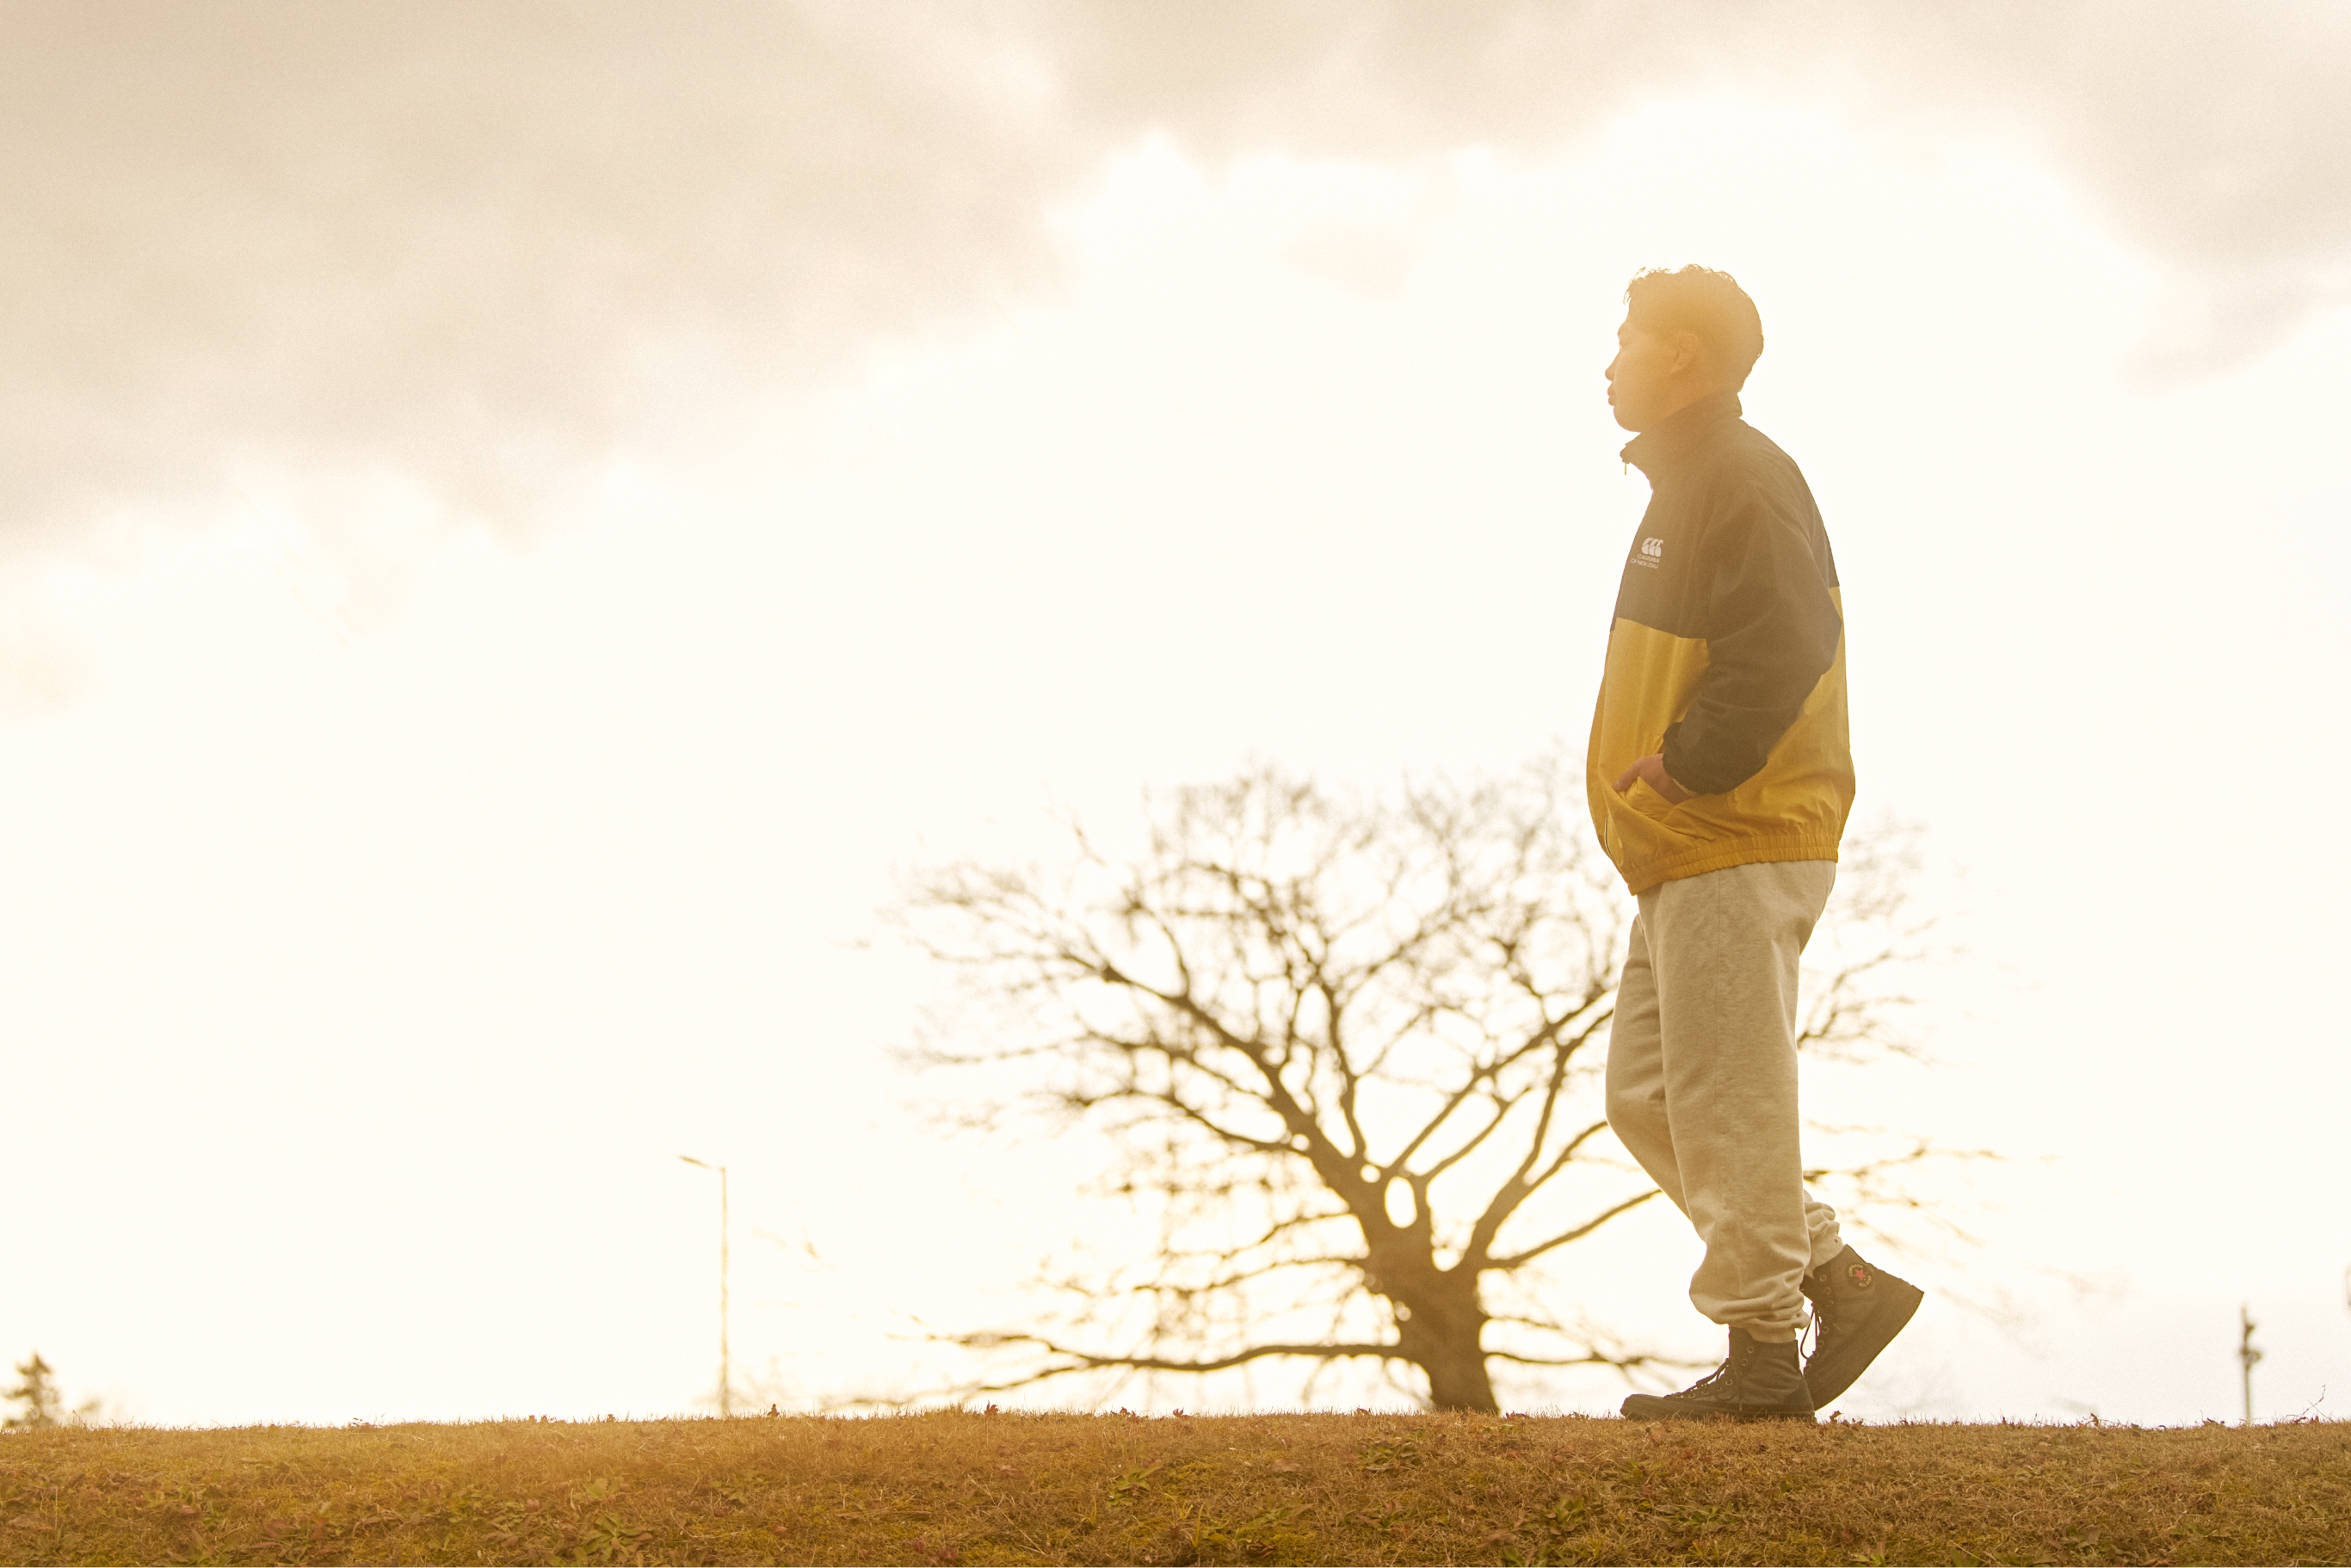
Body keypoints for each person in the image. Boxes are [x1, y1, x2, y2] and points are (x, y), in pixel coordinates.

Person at [1589, 265, 1922, 1421]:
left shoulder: (1741, 474)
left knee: (1728, 1099)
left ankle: (1766, 1353)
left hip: (1733, 823)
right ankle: (1835, 1277)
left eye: (1626, 339)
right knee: (1646, 1093)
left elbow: (1786, 636)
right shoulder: (1688, 485)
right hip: (1687, 843)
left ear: (1682, 353)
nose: (1609, 360)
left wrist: (1688, 761)